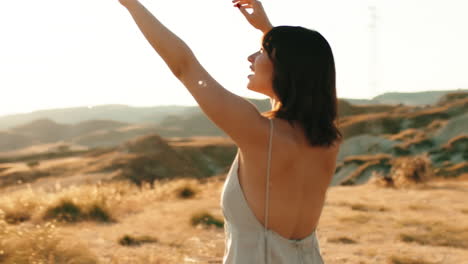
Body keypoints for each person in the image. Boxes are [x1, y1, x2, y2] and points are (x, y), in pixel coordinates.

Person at [119, 0, 342, 263]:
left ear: (284, 66)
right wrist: (267, 31)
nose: (251, 58)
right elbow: (296, 84)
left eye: (261, 52)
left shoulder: (258, 132)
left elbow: (184, 66)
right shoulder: (327, 139)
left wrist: (132, 5)